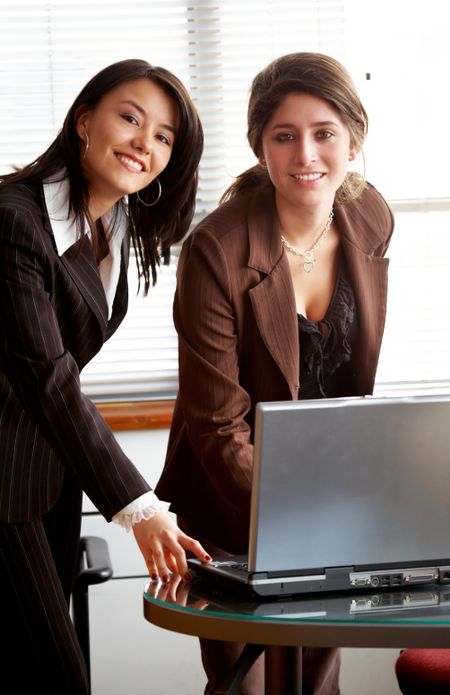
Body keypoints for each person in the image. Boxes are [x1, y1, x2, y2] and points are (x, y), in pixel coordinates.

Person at [155, 52, 394, 694]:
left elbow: (350, 386)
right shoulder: (218, 248)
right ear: (260, 145)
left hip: (328, 501)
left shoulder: (371, 216)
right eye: (284, 136)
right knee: (247, 683)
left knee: (317, 682)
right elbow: (215, 423)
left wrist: (346, 507)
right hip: (233, 504)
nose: (305, 154)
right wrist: (293, 520)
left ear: (354, 138)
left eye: (324, 133)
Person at [0, 58, 212, 694]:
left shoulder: (114, 222)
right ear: (84, 120)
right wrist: (140, 506)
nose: (144, 143)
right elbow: (49, 378)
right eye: (130, 118)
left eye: (164, 136)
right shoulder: (14, 221)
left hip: (44, 473)